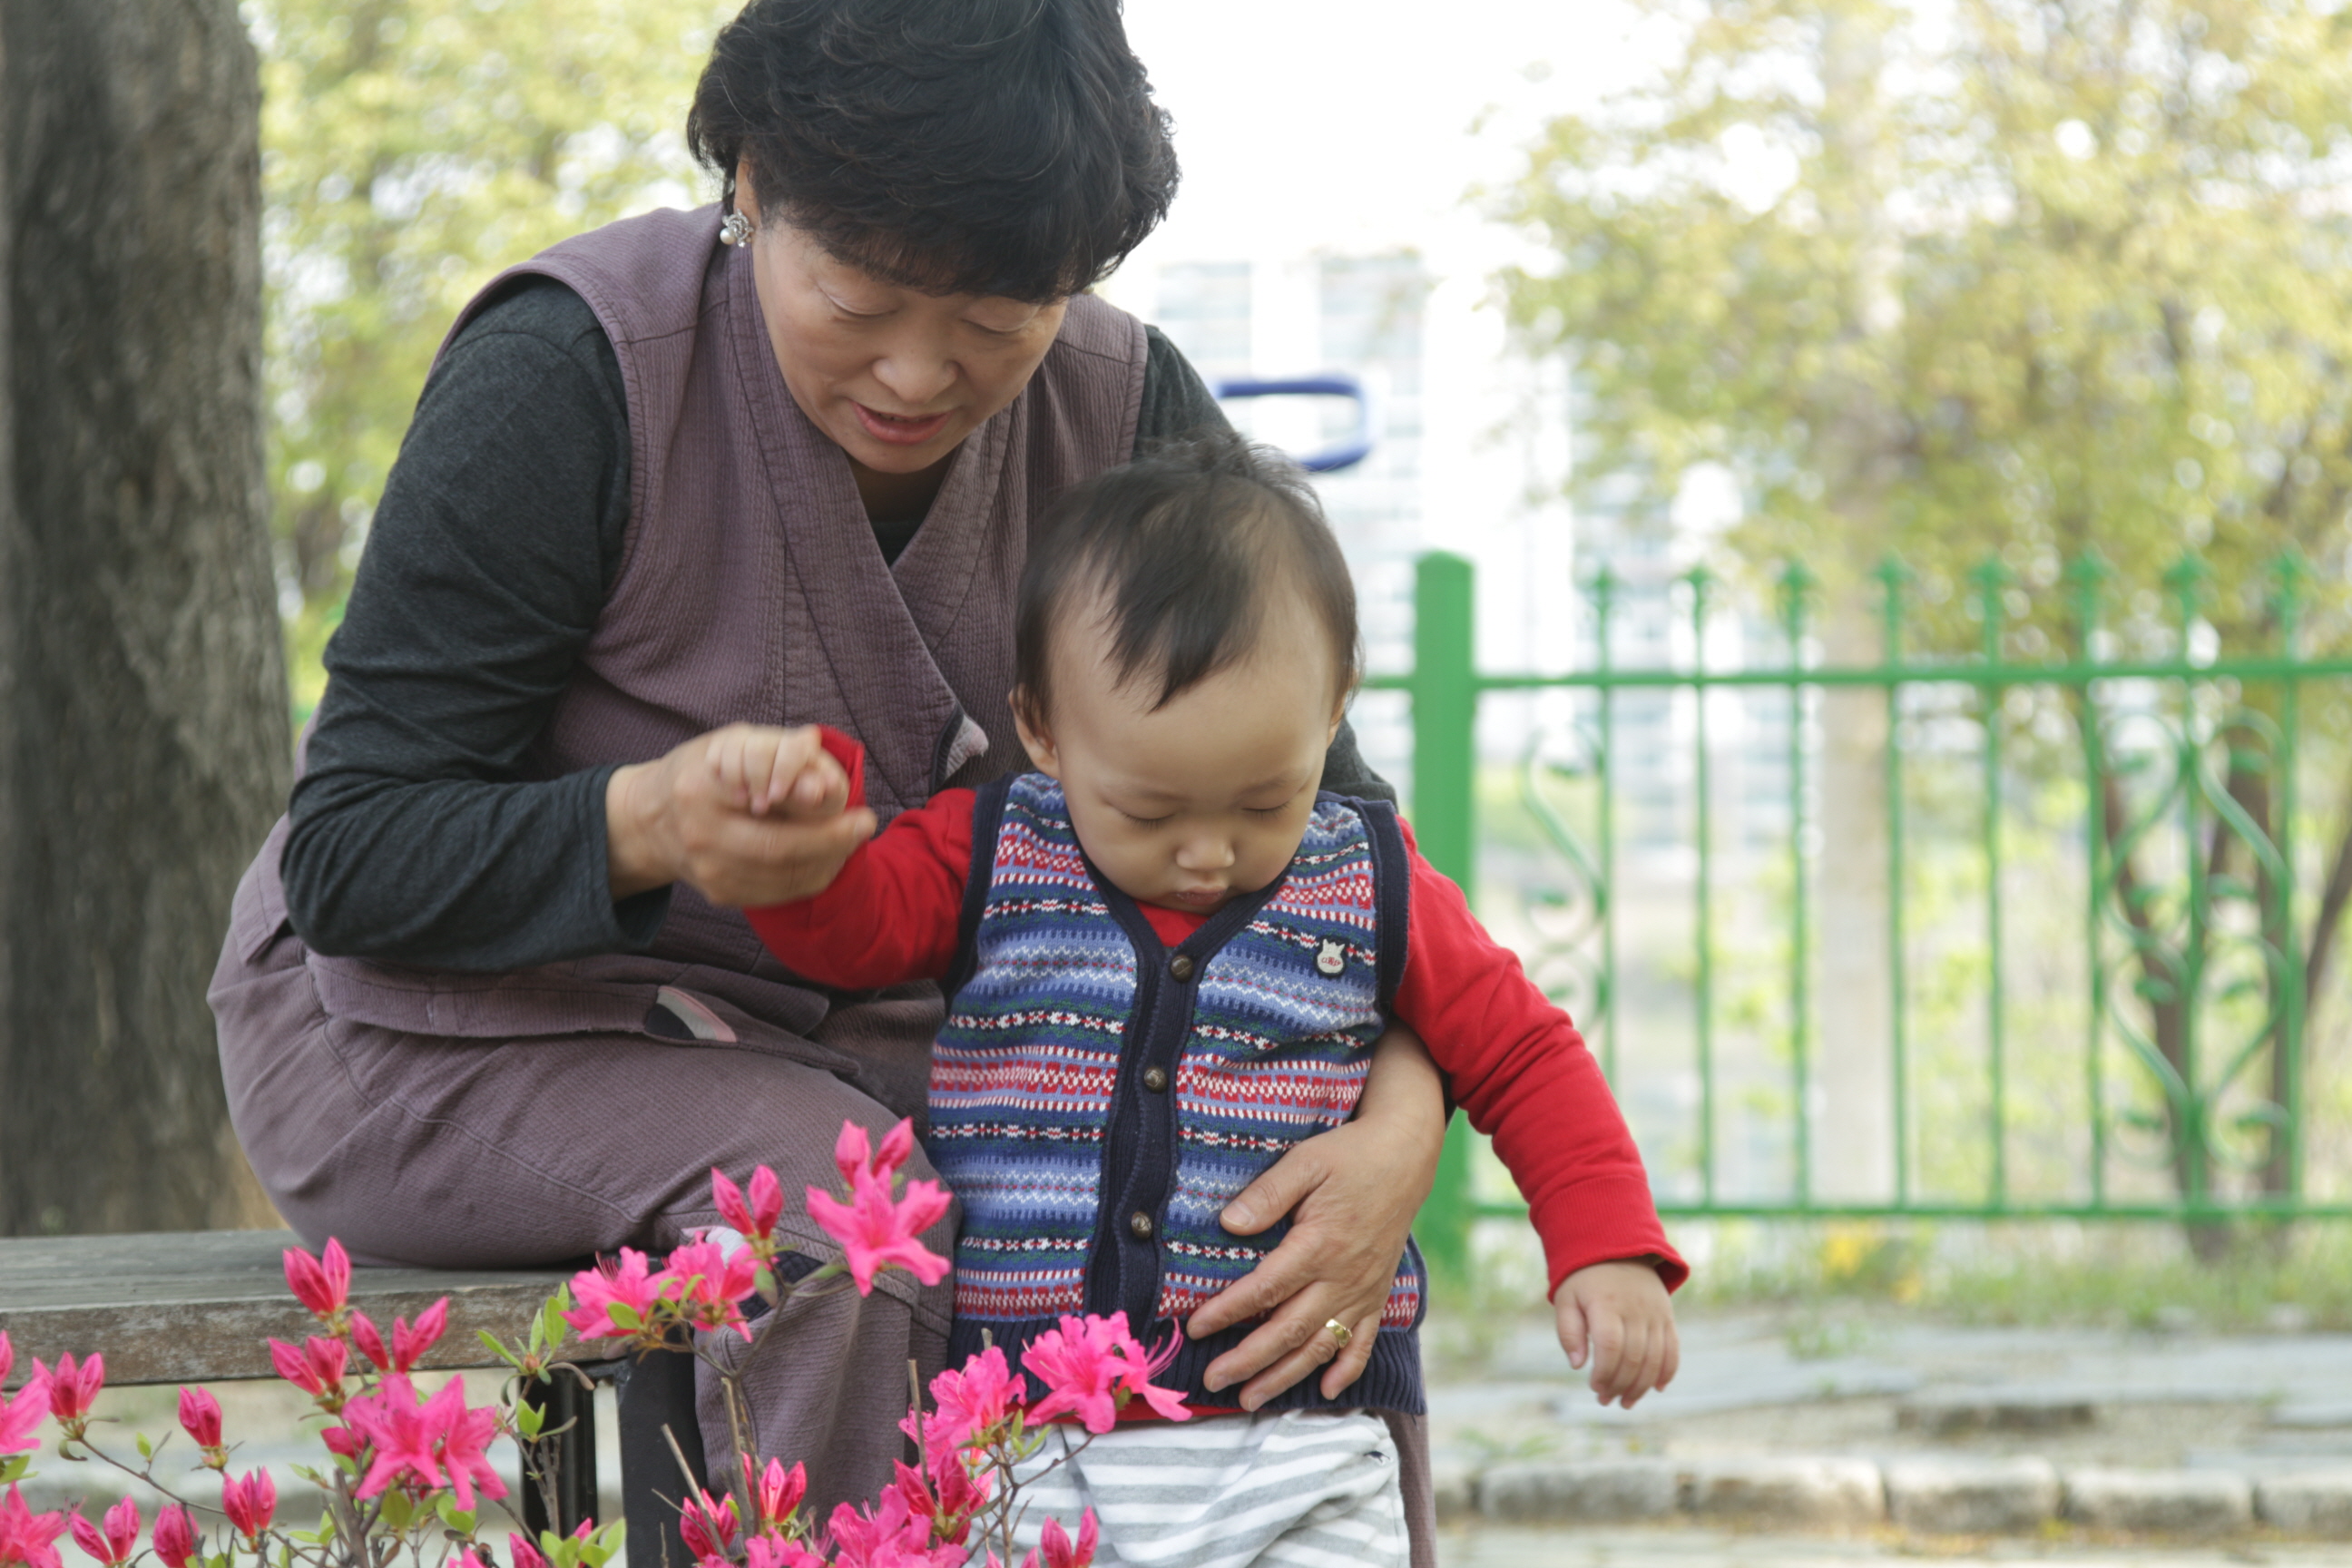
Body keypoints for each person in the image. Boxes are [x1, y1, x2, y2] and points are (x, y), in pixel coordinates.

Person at [206, 0, 1449, 1544]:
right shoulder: (572, 371)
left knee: (1268, 1195)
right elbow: (354, 855)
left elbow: (1347, 855)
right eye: (857, 294)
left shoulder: (1124, 410)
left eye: (998, 316)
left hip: (859, 1041)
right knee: (839, 1212)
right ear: (749, 181)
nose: (918, 372)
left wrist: (1391, 1134)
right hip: (434, 1031)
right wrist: (651, 821)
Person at [732, 436, 1686, 1568]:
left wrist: (1606, 1248)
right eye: (1148, 810)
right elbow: (851, 933)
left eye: (1264, 803)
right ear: (1043, 728)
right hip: (1025, 1448)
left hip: (1299, 1434)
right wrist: (799, 844)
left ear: (1333, 711)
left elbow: (1524, 1054)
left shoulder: (1370, 878)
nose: (1206, 853)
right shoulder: (993, 850)